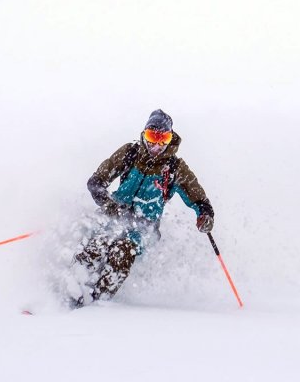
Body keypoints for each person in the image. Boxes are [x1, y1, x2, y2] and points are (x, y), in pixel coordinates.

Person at [69, 109, 215, 307]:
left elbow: (199, 199)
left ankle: (95, 303)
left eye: (162, 138)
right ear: (144, 134)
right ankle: (69, 291)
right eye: (151, 136)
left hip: (143, 229)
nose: (156, 144)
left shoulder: (174, 168)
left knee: (122, 251)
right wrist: (108, 204)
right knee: (98, 244)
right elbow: (96, 182)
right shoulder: (130, 153)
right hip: (114, 217)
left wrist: (205, 215)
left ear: (170, 139)